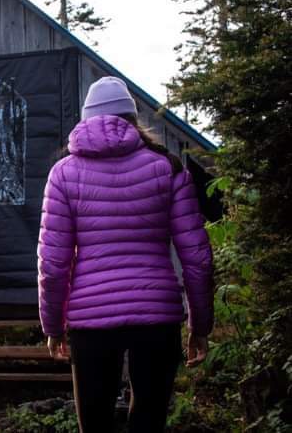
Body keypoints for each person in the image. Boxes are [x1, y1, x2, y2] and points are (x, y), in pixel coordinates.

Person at [37, 76, 214, 433]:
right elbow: (197, 258)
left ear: (87, 118)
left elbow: (53, 265)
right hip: (157, 315)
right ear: (133, 119)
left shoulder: (63, 174)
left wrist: (53, 326)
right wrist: (200, 326)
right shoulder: (168, 167)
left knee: (95, 425)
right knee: (149, 423)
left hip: (90, 320)